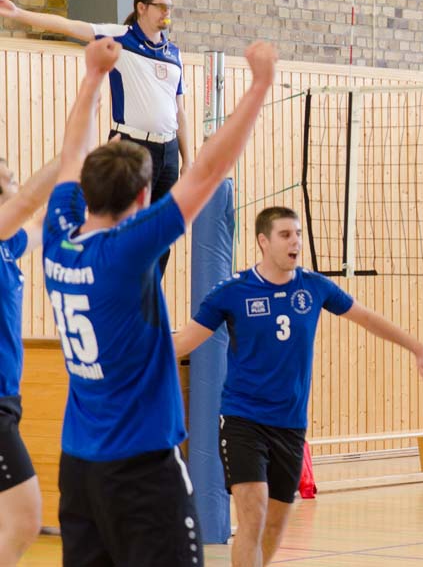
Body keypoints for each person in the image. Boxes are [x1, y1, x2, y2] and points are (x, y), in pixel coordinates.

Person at [42, 36, 278, 566]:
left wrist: (93, 76)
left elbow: (71, 155)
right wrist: (260, 85)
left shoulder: (57, 239)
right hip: (143, 466)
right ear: (143, 197)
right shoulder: (127, 251)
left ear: (84, 192)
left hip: (79, 468)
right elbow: (207, 172)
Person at [173, 205, 423, 567]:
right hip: (243, 419)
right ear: (263, 241)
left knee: (275, 524)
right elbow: (183, 342)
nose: (296, 242)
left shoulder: (314, 287)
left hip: (290, 424)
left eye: (298, 234)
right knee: (253, 514)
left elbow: (367, 318)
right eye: (286, 235)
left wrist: (419, 349)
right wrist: (129, 356)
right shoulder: (233, 292)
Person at [0, 0, 193, 274]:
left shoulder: (173, 52)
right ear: (142, 8)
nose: (167, 13)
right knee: (125, 224)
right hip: (133, 145)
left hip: (168, 151)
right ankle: (112, 283)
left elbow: (180, 110)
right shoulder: (121, 37)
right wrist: (19, 14)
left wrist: (187, 159)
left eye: (170, 7)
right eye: (161, 6)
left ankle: (148, 291)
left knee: (161, 233)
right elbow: (69, 26)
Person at [0, 156, 59, 563]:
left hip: (8, 399)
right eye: (8, 179)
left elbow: (40, 223)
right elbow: (29, 204)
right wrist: (72, 152)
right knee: (24, 521)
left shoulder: (7, 246)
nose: (17, 184)